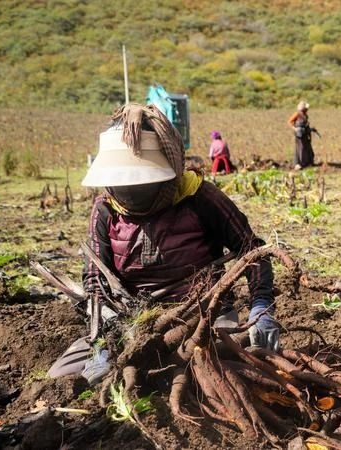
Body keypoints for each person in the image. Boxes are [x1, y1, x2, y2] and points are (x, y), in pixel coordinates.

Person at [48, 104, 279, 383]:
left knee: (216, 367)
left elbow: (251, 249)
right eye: (122, 185)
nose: (130, 194)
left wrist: (261, 306)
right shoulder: (105, 210)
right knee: (65, 377)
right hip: (131, 322)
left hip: (204, 316)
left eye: (139, 184)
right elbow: (95, 277)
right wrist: (104, 323)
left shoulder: (198, 197)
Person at [287, 101, 318, 169]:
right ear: (303, 108)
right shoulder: (297, 114)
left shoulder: (305, 115)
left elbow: (306, 125)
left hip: (305, 133)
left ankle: (308, 162)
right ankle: (298, 164)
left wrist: (311, 129)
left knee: (307, 148)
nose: (307, 109)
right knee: (300, 148)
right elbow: (290, 121)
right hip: (299, 134)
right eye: (306, 108)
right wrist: (295, 129)